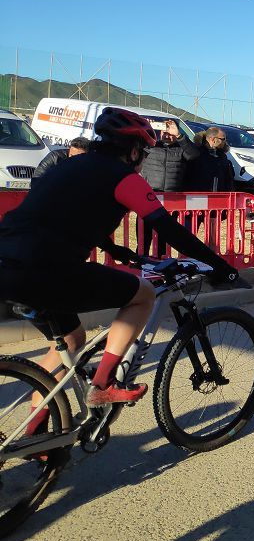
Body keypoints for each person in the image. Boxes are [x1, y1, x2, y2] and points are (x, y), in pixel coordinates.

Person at [0, 108, 240, 415]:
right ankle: (102, 385)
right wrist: (220, 264)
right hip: (47, 269)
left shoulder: (67, 166)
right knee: (143, 295)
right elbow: (169, 229)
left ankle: (37, 432)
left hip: (7, 262)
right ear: (134, 150)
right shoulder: (124, 177)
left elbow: (58, 215)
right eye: (144, 153)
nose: (143, 161)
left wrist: (115, 249)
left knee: (71, 341)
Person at [141, 119, 200, 192]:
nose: (167, 136)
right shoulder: (151, 146)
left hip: (174, 195)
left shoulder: (181, 148)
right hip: (150, 192)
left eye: (170, 134)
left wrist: (179, 136)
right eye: (164, 133)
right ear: (160, 132)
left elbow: (194, 155)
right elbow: (134, 147)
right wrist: (145, 129)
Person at [187, 127, 234, 192]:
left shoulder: (222, 156)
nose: (225, 141)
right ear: (213, 139)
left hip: (219, 197)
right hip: (198, 196)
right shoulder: (197, 154)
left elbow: (228, 180)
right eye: (223, 139)